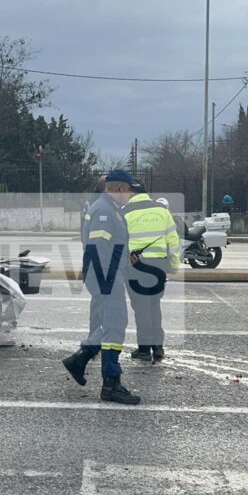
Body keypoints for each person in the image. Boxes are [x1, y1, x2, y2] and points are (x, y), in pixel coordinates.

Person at [60, 169, 141, 405]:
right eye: (128, 190)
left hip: (107, 273)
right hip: (105, 275)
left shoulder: (110, 209)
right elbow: (98, 247)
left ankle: (81, 358)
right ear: (117, 188)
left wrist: (125, 259)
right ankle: (110, 384)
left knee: (112, 323)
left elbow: (108, 247)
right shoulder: (105, 211)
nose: (130, 194)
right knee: (115, 325)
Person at [123, 186, 181, 363]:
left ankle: (144, 349)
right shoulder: (162, 211)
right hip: (158, 265)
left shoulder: (125, 212)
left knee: (141, 308)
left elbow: (120, 241)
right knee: (154, 305)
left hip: (136, 265)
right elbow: (173, 240)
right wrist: (173, 265)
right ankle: (158, 347)